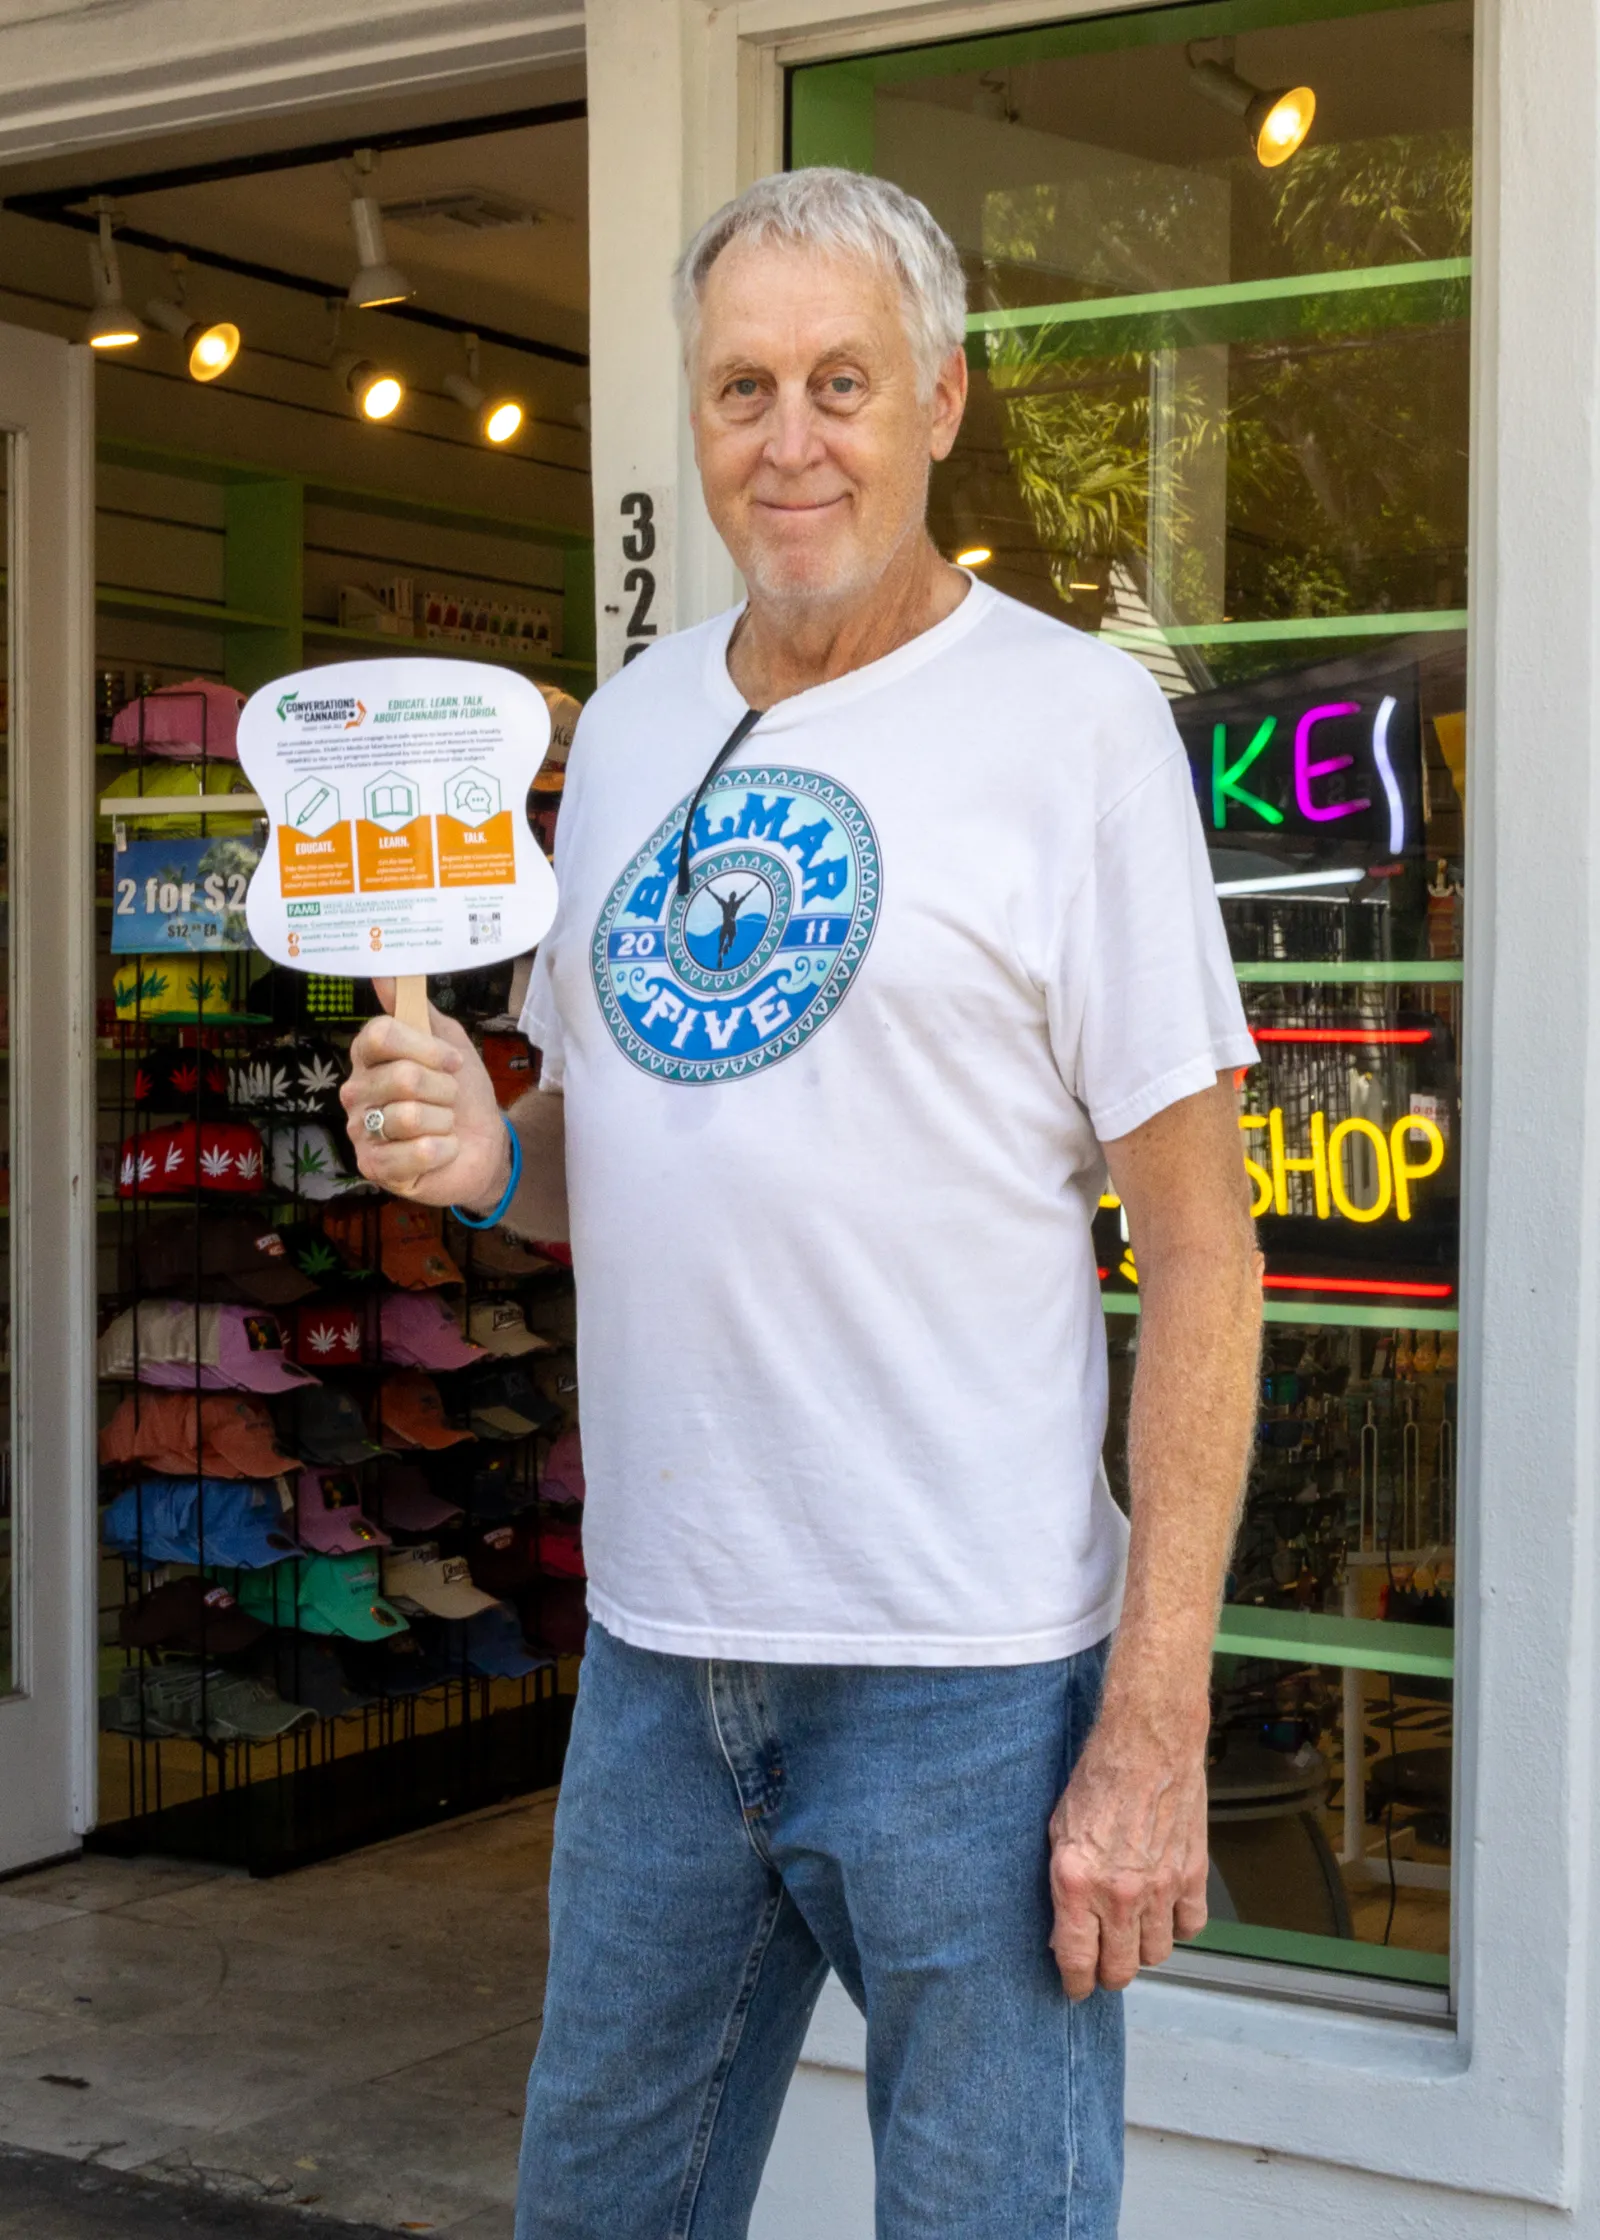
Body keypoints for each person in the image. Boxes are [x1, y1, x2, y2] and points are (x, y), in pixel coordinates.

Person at [342, 167, 1262, 2240]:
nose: (788, 437)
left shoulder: (1073, 727)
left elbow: (1202, 1260)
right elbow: (620, 1151)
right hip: (662, 1670)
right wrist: (487, 1151)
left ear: (937, 397)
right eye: (742, 386)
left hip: (975, 1681)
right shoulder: (643, 723)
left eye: (838, 380)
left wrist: (1148, 1724)